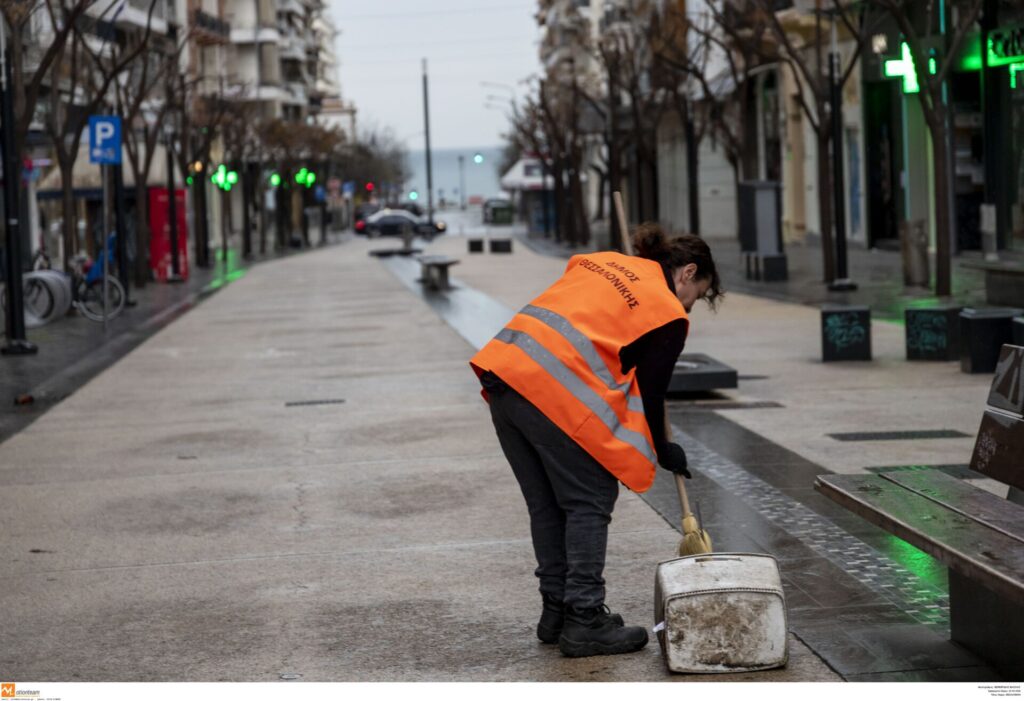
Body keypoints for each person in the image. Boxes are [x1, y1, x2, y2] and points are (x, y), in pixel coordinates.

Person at [469, 224, 722, 658]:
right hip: (546, 392)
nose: (690, 308)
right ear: (687, 273)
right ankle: (584, 619)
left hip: (504, 377)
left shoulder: (606, 262)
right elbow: (652, 391)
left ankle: (557, 612)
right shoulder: (667, 313)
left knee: (548, 505)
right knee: (589, 499)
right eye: (697, 295)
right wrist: (664, 450)